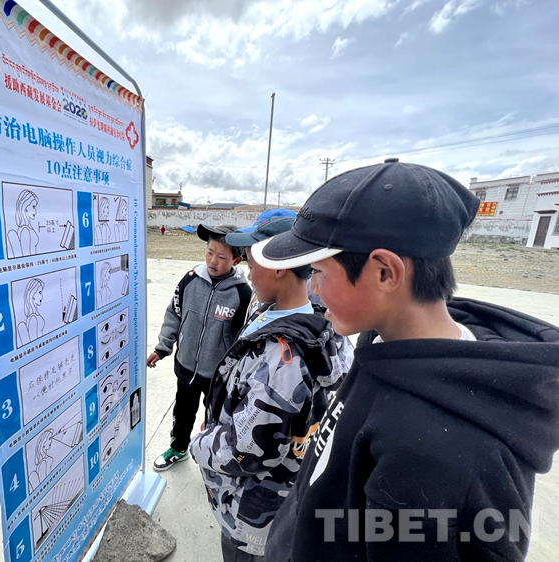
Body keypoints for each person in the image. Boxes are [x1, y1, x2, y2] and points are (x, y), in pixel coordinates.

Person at [251, 159, 559, 561]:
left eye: (319, 271)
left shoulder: (444, 458)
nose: (314, 290)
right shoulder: (384, 344)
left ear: (385, 272)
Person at [190, 217, 352, 562]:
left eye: (251, 263)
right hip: (282, 500)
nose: (248, 274)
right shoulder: (309, 322)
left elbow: (248, 450)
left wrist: (200, 443)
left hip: (250, 515)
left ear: (279, 267)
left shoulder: (281, 358)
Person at [147, 224, 252, 471]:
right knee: (183, 413)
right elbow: (174, 314)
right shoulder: (190, 280)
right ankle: (178, 448)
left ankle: (212, 459)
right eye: (209, 252)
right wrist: (162, 348)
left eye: (221, 256)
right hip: (186, 366)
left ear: (236, 260)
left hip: (218, 376)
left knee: (215, 421)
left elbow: (242, 338)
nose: (213, 261)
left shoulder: (242, 293)